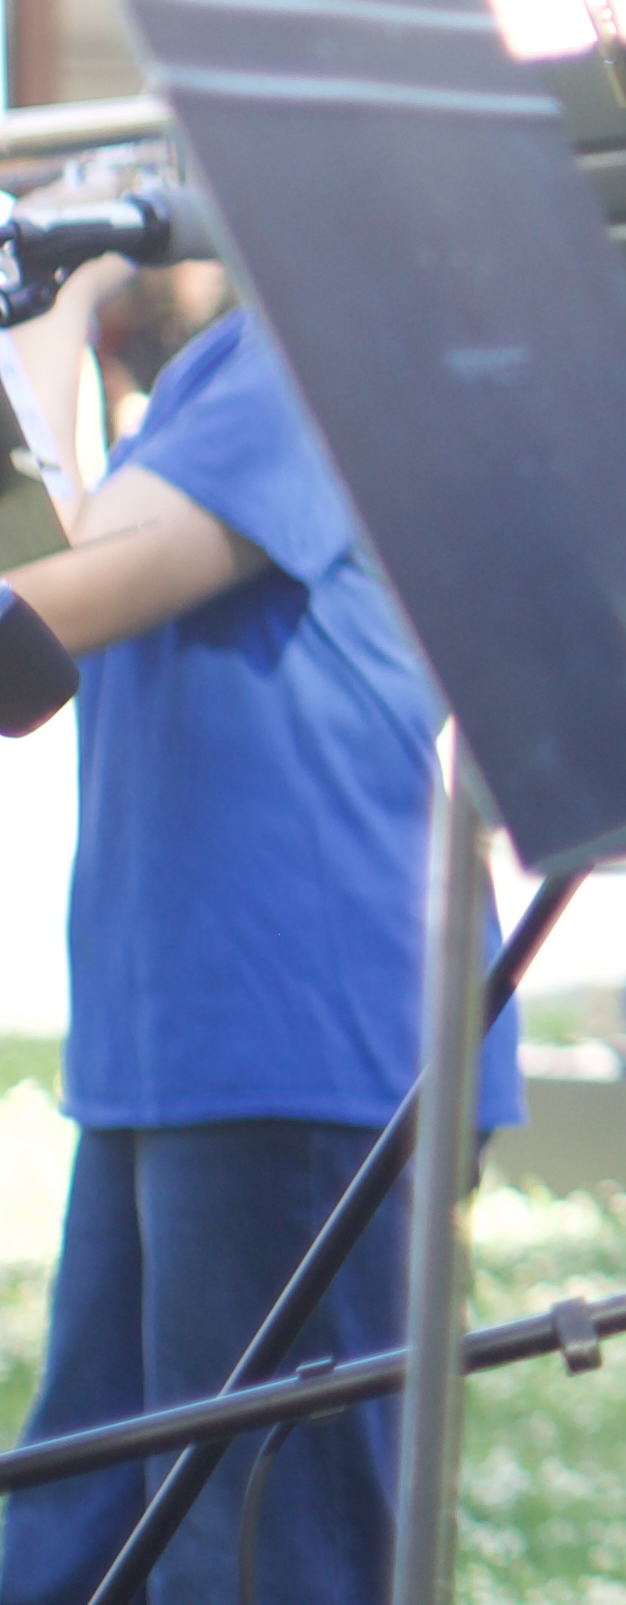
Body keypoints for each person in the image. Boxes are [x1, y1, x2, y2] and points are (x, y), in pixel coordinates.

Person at [0, 253, 527, 1605]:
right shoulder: (207, 374)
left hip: (299, 1024)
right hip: (177, 1031)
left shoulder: (313, 349)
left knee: (261, 1557)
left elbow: (45, 604)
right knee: (78, 1539)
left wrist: (44, 316)